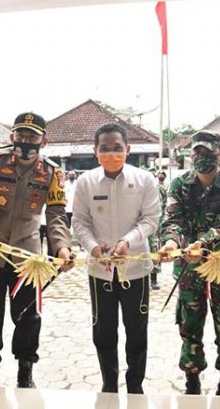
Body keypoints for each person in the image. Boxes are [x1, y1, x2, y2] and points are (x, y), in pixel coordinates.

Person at [0, 112, 73, 388]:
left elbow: (56, 214)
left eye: (32, 136)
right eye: (21, 135)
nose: (25, 141)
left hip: (27, 259)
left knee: (28, 317)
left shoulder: (52, 173)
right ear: (12, 136)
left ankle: (25, 370)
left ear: (44, 141)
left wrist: (62, 247)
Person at [158, 130, 220, 396]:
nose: (202, 157)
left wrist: (204, 243)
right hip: (188, 267)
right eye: (197, 152)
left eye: (208, 153)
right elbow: (173, 219)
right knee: (189, 327)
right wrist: (172, 243)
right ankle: (192, 380)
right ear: (190, 155)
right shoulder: (179, 185)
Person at [73, 123, 160, 394]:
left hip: (136, 268)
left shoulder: (145, 180)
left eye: (117, 148)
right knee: (103, 332)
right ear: (95, 151)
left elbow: (150, 219)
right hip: (100, 271)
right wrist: (92, 247)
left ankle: (135, 385)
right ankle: (109, 384)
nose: (111, 154)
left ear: (128, 149)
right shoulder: (85, 182)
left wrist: (127, 242)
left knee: (136, 332)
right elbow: (79, 222)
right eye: (105, 149)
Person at [148, 170, 168, 290]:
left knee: (154, 250)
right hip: (140, 227)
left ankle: (153, 279)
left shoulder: (158, 189)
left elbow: (163, 207)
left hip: (155, 227)